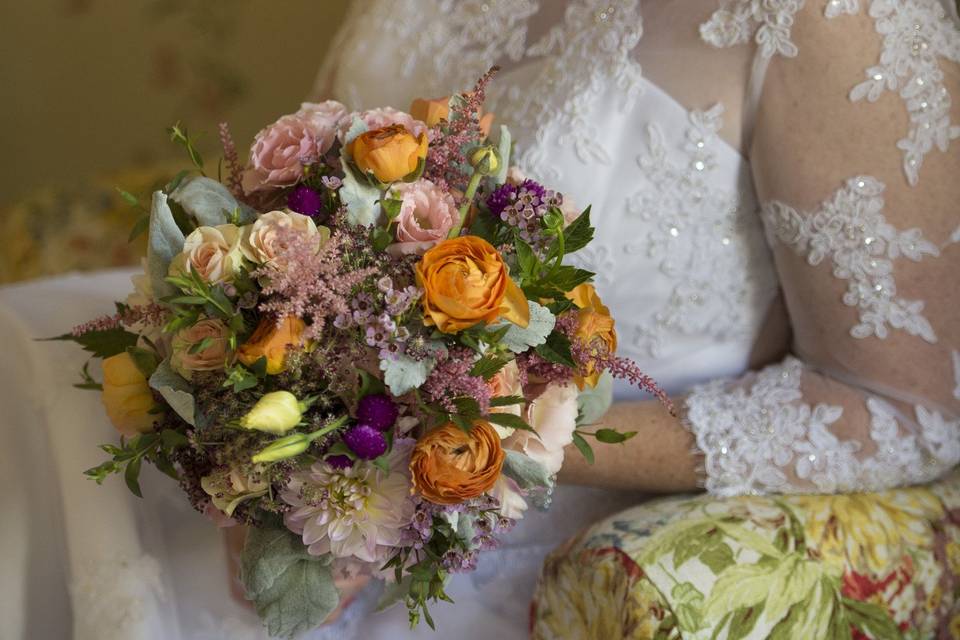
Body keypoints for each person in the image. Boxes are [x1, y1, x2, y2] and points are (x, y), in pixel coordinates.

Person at [310, 0, 960, 637]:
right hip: (319, 506)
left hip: (557, 575)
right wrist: (270, 460)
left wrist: (502, 444)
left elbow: (899, 404)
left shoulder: (832, 23)